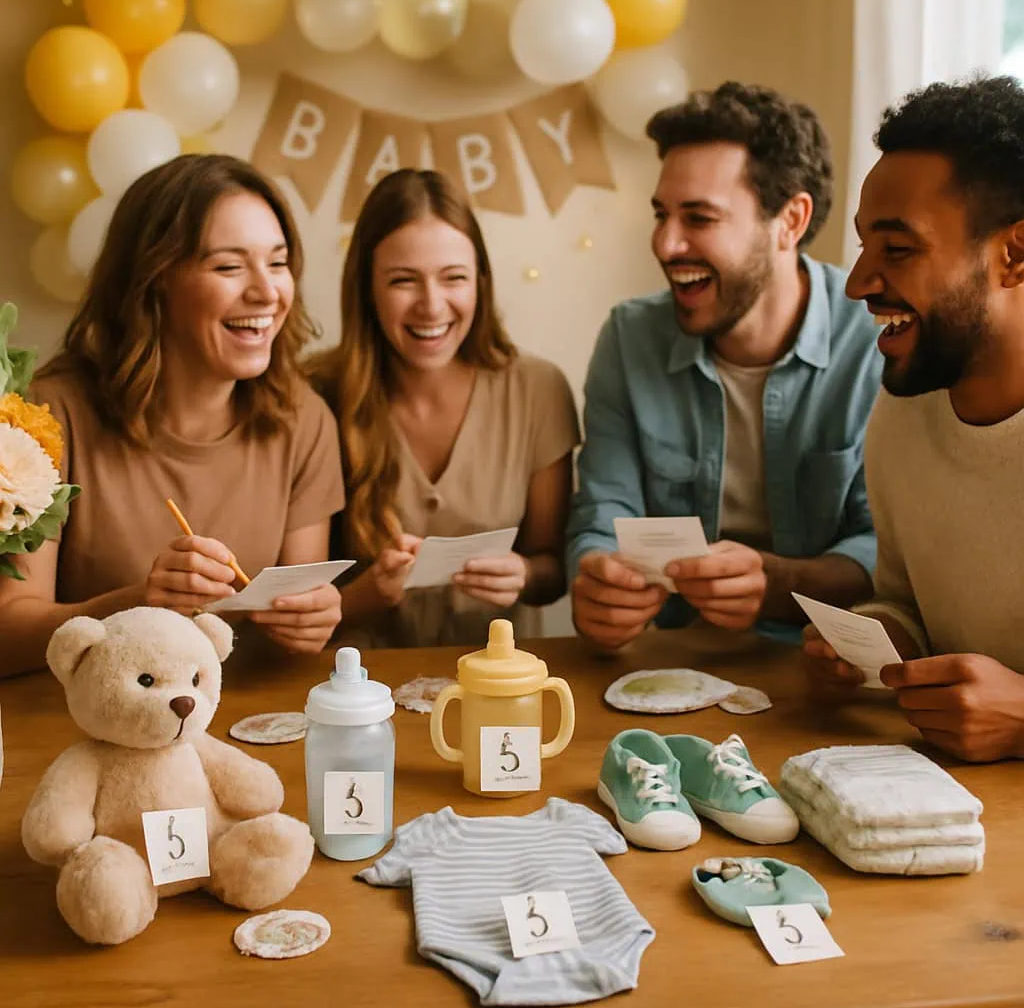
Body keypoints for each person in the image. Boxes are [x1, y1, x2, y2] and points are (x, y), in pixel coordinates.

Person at [0, 154, 346, 678]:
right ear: (154, 278)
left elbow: (292, 647)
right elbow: (7, 632)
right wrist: (138, 606)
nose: (267, 292)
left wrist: (311, 623)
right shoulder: (51, 416)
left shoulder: (305, 420)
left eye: (277, 263)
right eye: (229, 266)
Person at [568, 81, 882, 652]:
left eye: (700, 218)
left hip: (821, 668)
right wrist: (596, 577)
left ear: (790, 221)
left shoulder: (875, 341)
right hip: (667, 662)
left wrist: (776, 583)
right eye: (662, 215)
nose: (665, 244)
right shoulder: (627, 337)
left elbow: (885, 550)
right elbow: (602, 510)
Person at [804, 75, 1024, 763]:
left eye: (897, 251)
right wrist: (871, 643)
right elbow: (904, 602)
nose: (858, 282)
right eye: (865, 244)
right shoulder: (901, 411)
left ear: (1014, 255)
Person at [309, 168, 579, 648]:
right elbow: (297, 605)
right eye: (403, 281)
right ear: (367, 288)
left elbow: (553, 570)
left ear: (480, 281)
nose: (431, 306)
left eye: (452, 278)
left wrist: (523, 573)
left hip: (497, 690)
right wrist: (369, 594)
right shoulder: (315, 393)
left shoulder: (538, 389)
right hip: (359, 694)